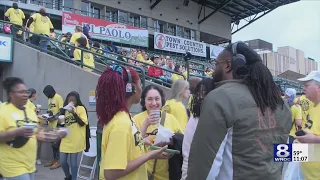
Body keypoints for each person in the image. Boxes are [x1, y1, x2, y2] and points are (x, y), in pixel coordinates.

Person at [186, 42, 291, 180]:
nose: (213, 69)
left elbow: (207, 168)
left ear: (228, 65)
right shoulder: (281, 103)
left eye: (216, 63)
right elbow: (283, 155)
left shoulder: (220, 97)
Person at [96, 65, 170, 180]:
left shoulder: (125, 117)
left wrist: (142, 142)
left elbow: (127, 149)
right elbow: (111, 173)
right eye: (140, 84)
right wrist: (150, 155)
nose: (141, 88)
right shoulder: (121, 123)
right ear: (132, 88)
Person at [133, 85, 182, 180]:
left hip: (167, 175)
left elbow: (182, 142)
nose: (154, 103)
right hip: (144, 174)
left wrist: (172, 141)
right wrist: (145, 125)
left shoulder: (171, 119)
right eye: (150, 99)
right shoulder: (136, 119)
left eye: (157, 99)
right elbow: (133, 147)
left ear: (162, 100)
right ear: (144, 102)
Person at [0, 77, 38, 180]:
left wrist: (50, 135)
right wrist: (16, 132)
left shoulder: (30, 111)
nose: (26, 95)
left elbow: (35, 133)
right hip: (12, 165)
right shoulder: (2, 110)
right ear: (11, 94)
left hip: (30, 164)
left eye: (27, 92)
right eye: (21, 92)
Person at [181, 78, 214, 180]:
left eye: (205, 93)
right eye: (199, 93)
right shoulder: (194, 120)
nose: (201, 97)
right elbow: (187, 154)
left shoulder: (223, 119)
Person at [59, 91, 88, 180]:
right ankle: (68, 176)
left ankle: (74, 178)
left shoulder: (81, 108)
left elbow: (82, 123)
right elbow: (61, 125)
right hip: (65, 139)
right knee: (62, 161)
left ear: (77, 101)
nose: (71, 102)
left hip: (76, 139)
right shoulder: (65, 110)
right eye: (70, 100)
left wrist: (74, 113)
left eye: (74, 100)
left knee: (74, 163)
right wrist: (60, 124)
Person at [42, 85, 64, 169]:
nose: (46, 95)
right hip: (51, 125)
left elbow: (62, 110)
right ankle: (54, 160)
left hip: (57, 124)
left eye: (47, 93)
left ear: (51, 91)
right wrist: (48, 115)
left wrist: (54, 117)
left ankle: (59, 161)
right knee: (53, 145)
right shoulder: (49, 99)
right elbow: (51, 110)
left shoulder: (58, 97)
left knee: (57, 144)